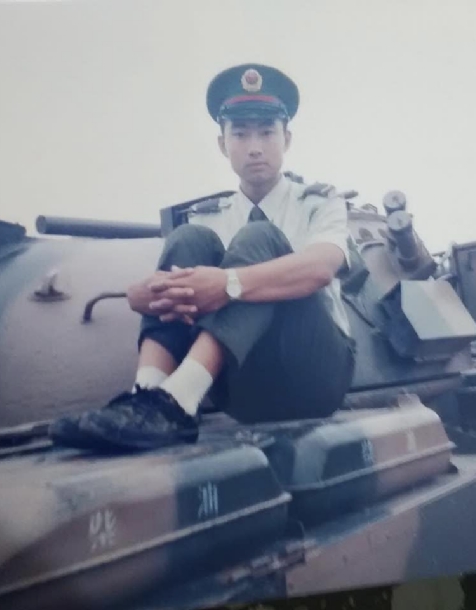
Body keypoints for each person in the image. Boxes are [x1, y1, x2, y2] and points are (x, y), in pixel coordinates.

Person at [50, 63, 356, 451]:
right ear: (222, 144)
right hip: (241, 384)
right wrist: (144, 295)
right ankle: (148, 397)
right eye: (240, 134)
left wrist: (228, 284)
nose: (255, 147)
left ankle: (179, 400)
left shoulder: (319, 203)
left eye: (267, 132)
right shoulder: (207, 217)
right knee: (188, 239)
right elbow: (178, 289)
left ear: (287, 139)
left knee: (259, 237)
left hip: (314, 373)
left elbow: (321, 268)